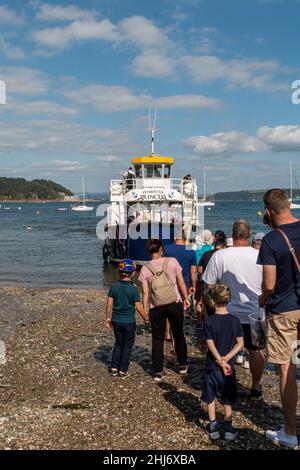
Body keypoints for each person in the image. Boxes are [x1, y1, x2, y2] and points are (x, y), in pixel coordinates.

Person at [203, 219, 264, 400]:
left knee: (226, 349)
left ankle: (226, 384)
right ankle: (255, 386)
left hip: (228, 312)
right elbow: (270, 285)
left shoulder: (220, 256)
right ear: (250, 234)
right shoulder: (259, 256)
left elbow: (208, 284)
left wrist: (210, 309)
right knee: (256, 350)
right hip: (256, 312)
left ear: (232, 234)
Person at [258, 189, 300, 450]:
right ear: (289, 205)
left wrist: (263, 299)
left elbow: (269, 284)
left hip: (284, 310)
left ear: (269, 211)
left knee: (287, 368)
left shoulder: (271, 239)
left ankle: (290, 432)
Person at [139, 239, 190, 382]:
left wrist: (145, 310)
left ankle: (158, 372)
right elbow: (181, 282)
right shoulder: (172, 261)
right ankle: (182, 365)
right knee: (179, 334)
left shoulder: (145, 268)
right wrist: (185, 297)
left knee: (157, 339)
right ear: (161, 249)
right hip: (175, 303)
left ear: (148, 251)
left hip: (156, 307)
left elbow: (145, 292)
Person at [202, 284, 244, 441]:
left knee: (210, 395)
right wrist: (227, 360)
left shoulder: (209, 321)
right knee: (227, 397)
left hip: (212, 366)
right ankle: (228, 428)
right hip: (229, 368)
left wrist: (220, 360)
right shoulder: (235, 321)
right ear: (229, 300)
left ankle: (213, 426)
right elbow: (240, 344)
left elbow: (210, 344)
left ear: (212, 301)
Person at [105, 259, 149, 379]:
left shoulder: (114, 287)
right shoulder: (133, 289)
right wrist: (146, 317)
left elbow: (109, 304)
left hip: (116, 321)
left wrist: (108, 318)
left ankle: (114, 368)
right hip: (129, 322)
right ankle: (123, 370)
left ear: (119, 272)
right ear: (133, 273)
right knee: (127, 345)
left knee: (118, 343)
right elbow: (139, 307)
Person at [196, 230, 227, 323]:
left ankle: (202, 322)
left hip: (206, 283)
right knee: (220, 306)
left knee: (206, 305)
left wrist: (204, 275)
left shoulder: (206, 254)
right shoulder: (224, 255)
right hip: (220, 285)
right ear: (223, 246)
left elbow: (200, 269)